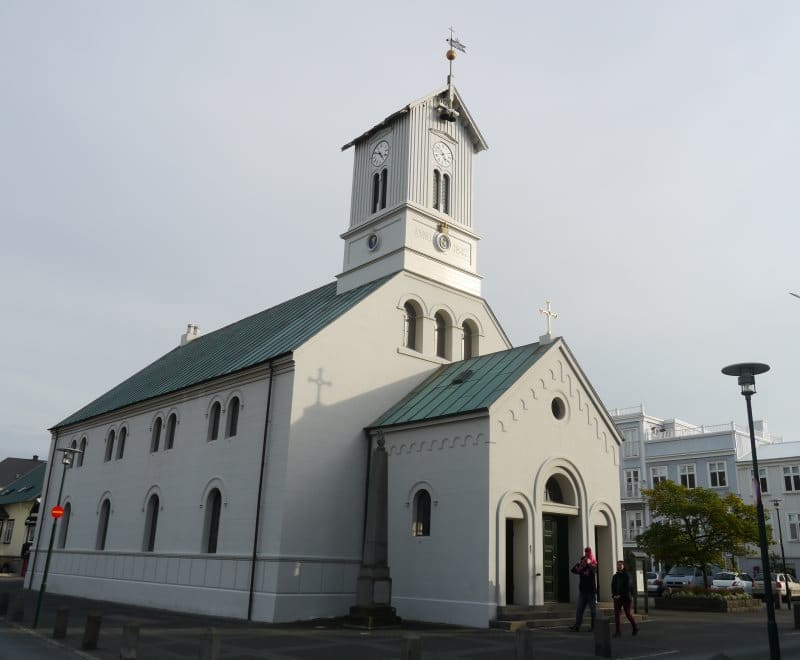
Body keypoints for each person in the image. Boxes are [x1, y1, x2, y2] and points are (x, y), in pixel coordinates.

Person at [568, 546, 598, 632]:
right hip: (583, 591)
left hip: (591, 592)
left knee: (593, 611)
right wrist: (579, 563)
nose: (586, 554)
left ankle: (594, 626)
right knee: (579, 609)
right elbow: (573, 570)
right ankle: (577, 626)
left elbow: (593, 571)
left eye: (588, 552)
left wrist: (588, 563)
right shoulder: (581, 566)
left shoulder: (592, 564)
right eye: (585, 552)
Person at [611, 559, 639, 637]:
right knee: (617, 614)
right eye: (618, 565)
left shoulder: (627, 575)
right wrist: (614, 595)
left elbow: (628, 587)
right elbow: (613, 586)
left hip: (626, 597)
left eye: (620, 565)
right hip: (617, 598)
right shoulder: (615, 576)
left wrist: (621, 595)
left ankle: (635, 627)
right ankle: (618, 632)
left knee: (628, 614)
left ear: (623, 566)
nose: (619, 566)